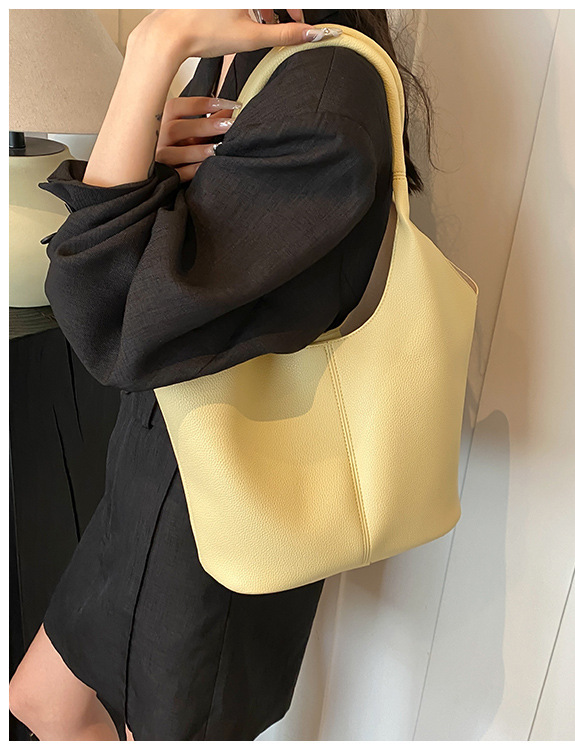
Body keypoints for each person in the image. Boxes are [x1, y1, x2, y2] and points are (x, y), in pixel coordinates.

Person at [8, 8, 433, 741]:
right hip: (158, 464)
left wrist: (152, 51)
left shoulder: (322, 101)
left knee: (150, 721)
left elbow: (112, 318)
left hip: (217, 507)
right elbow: (176, 268)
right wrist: (153, 156)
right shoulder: (243, 52)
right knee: (43, 701)